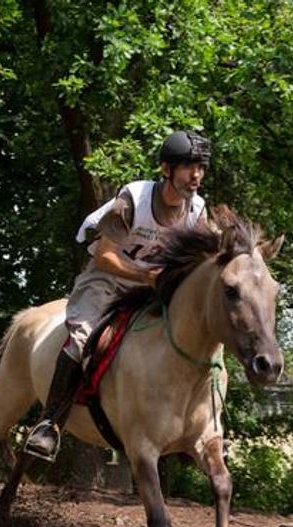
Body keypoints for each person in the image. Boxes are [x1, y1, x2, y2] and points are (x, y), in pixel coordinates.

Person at [23, 130, 212, 462]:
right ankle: (49, 423)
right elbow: (104, 257)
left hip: (151, 286)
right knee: (82, 339)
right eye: (187, 166)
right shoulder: (133, 199)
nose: (196, 175)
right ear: (166, 169)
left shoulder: (197, 211)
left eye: (200, 167)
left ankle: (191, 428)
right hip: (107, 280)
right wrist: (145, 275)